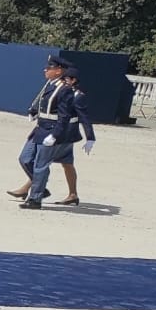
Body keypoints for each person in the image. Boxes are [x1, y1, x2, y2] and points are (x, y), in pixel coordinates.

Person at [8, 55, 72, 209]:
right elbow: (43, 104)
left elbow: (64, 116)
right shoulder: (49, 85)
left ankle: (35, 199)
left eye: (49, 68)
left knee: (40, 165)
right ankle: (40, 187)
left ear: (58, 71)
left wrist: (55, 135)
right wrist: (34, 111)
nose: (45, 70)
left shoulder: (64, 89)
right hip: (40, 129)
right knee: (25, 158)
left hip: (51, 131)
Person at [53, 66, 96, 205]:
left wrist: (90, 137)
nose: (63, 81)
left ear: (73, 80)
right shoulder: (62, 92)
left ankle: (28, 189)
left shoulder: (78, 97)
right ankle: (73, 194)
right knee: (67, 164)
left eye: (66, 79)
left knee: (43, 160)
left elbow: (85, 118)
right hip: (58, 130)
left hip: (66, 134)